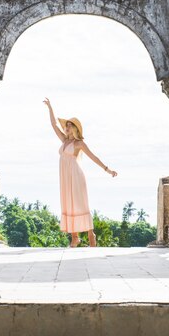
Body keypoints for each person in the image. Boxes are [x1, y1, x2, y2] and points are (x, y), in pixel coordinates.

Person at [43, 98, 117, 247]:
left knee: (80, 204)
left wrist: (107, 170)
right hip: (65, 177)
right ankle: (74, 237)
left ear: (76, 129)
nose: (67, 128)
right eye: (66, 126)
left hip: (76, 176)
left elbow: (93, 157)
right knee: (68, 204)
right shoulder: (64, 141)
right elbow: (53, 124)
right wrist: (50, 107)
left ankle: (91, 234)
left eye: (70, 126)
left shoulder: (79, 144)